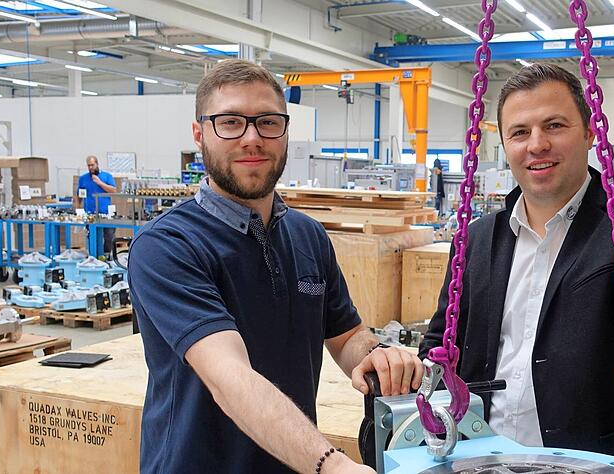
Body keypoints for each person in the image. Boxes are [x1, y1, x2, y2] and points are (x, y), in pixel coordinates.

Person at [128, 59, 422, 474]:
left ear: (285, 132)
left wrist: (376, 355)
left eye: (267, 122)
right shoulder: (167, 245)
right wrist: (333, 465)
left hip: (295, 463)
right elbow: (228, 376)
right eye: (230, 122)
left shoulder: (308, 236)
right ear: (200, 135)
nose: (252, 139)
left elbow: (346, 335)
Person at [419, 63, 614, 461]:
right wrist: (396, 365)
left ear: (589, 132)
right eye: (520, 132)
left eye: (555, 125)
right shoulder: (476, 239)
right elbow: (440, 342)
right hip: (479, 458)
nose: (536, 144)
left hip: (591, 461)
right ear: (505, 145)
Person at [75, 155, 117, 255]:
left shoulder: (107, 176)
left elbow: (113, 190)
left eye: (92, 165)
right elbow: (79, 195)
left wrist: (100, 183)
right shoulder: (83, 178)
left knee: (109, 236)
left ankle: (107, 255)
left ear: (97, 164)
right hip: (90, 213)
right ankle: (94, 256)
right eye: (88, 165)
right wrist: (77, 209)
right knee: (92, 236)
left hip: (105, 213)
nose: (90, 168)